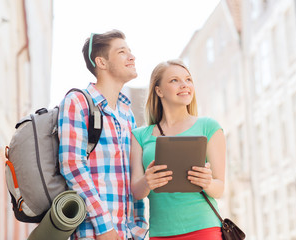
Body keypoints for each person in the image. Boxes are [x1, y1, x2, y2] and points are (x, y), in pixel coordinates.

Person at [58, 30, 148, 240]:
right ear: (101, 62)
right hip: (95, 233)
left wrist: (140, 228)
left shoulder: (127, 113)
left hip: (129, 233)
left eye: (130, 51)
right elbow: (72, 165)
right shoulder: (78, 102)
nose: (132, 57)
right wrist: (104, 227)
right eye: (122, 52)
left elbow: (134, 172)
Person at [130, 59, 226, 239]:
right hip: (161, 233)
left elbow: (219, 188)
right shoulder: (139, 135)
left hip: (204, 229)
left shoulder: (209, 127)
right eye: (174, 80)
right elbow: (136, 192)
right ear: (158, 90)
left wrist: (207, 183)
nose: (184, 85)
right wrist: (147, 181)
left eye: (188, 79)